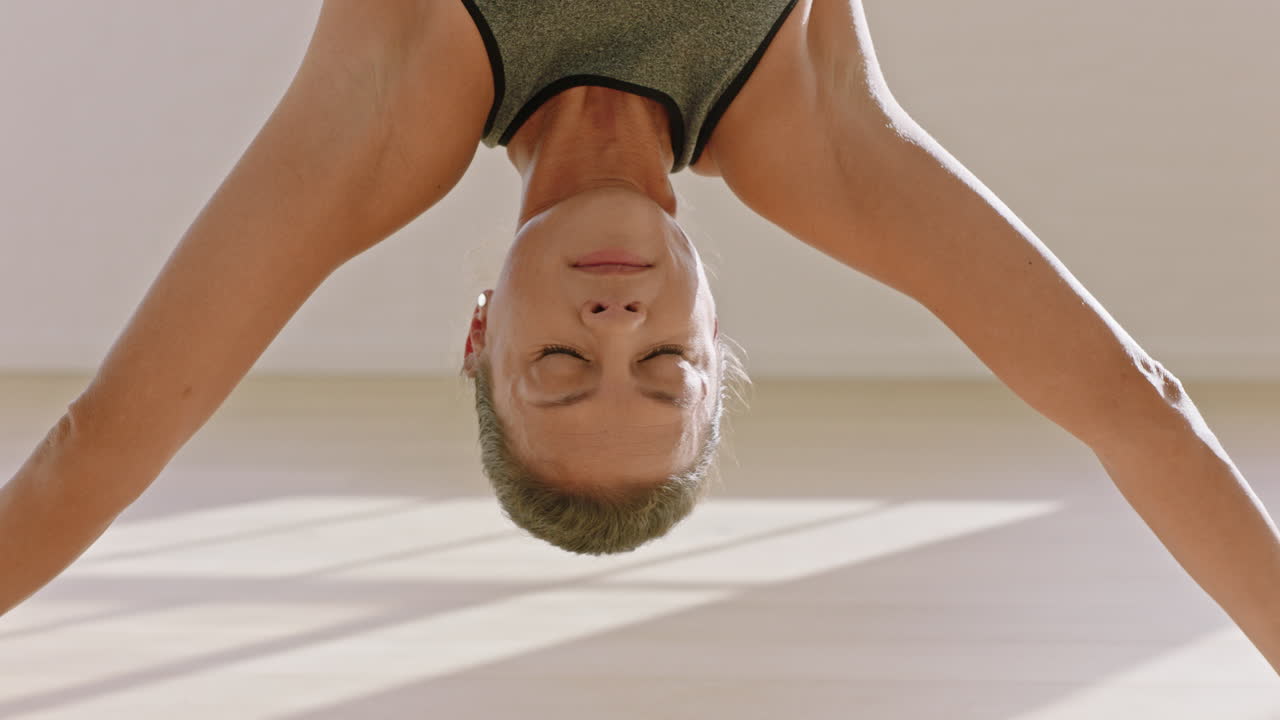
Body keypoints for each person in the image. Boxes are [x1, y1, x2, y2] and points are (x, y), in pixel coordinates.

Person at [1, 0, 1277, 673]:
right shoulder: (808, 123)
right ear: (716, 334)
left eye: (560, 369)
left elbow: (92, 448)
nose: (614, 325)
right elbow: (1136, 404)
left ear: (479, 332)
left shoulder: (388, 109)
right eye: (662, 368)